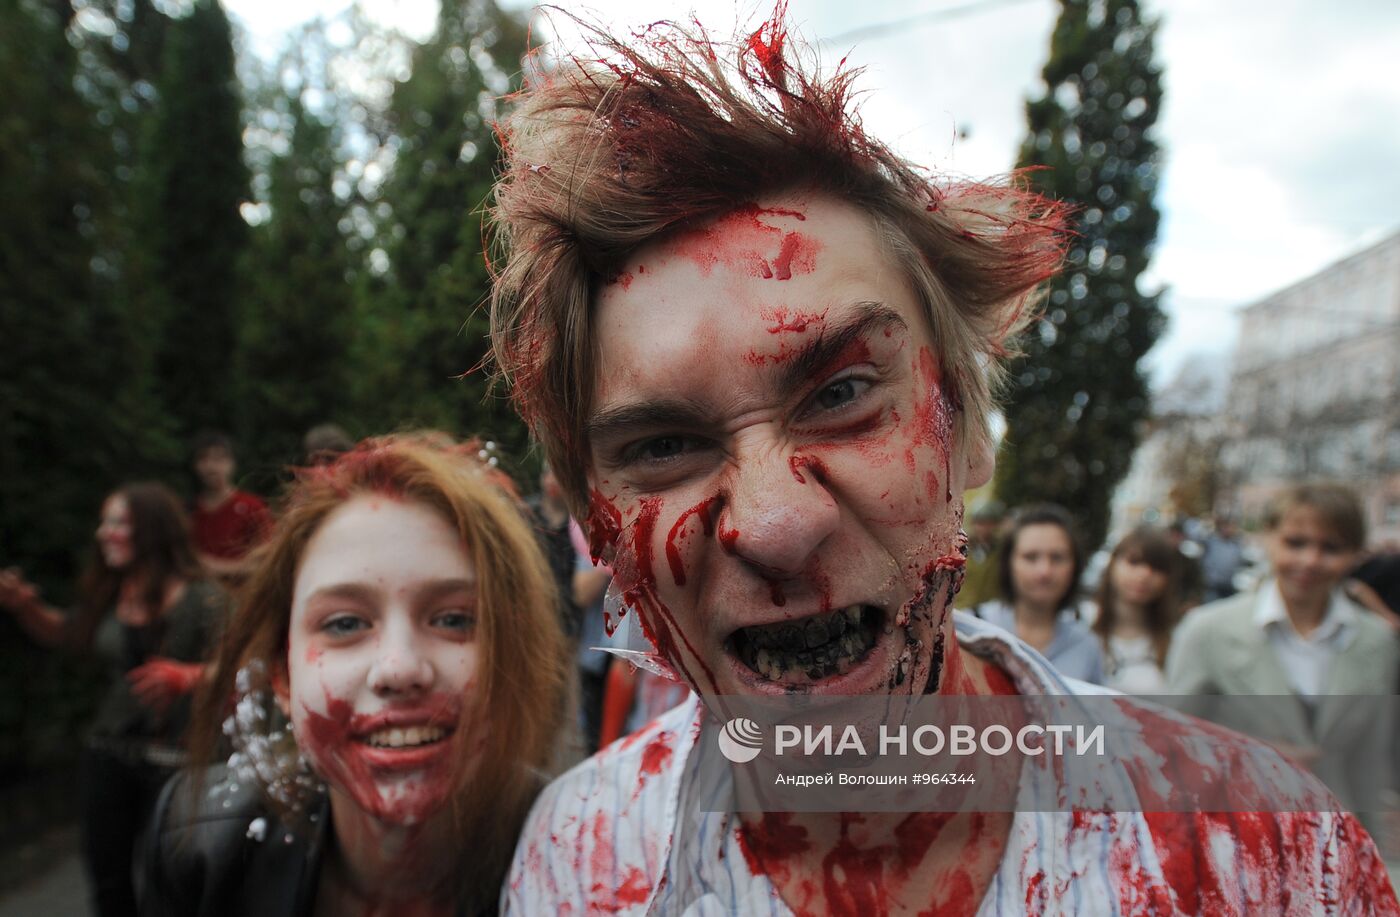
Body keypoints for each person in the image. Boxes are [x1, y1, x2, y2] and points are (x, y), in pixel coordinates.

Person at [487, 9, 1397, 913]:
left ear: (969, 429)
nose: (775, 522)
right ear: (597, 519)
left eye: (841, 395)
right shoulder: (577, 866)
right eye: (664, 446)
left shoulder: (1265, 853)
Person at [144, 434, 570, 916]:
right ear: (283, 675)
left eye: (455, 619)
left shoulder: (587, 857)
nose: (400, 668)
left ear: (514, 655)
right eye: (344, 623)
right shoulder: (198, 842)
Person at [0, 483, 227, 917]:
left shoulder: (203, 597)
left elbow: (240, 660)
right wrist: (26, 607)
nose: (105, 532)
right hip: (109, 757)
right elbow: (69, 634)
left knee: (173, 887)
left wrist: (189, 676)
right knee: (109, 884)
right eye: (105, 522)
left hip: (178, 763)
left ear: (153, 529)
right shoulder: (109, 593)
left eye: (119, 522)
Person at [1167, 483, 1399, 839]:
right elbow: (1172, 742)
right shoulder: (1209, 630)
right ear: (1268, 538)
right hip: (1234, 836)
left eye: (1330, 548)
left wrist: (1377, 856)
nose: (1310, 560)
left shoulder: (1376, 641)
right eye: (1296, 543)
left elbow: (1371, 759)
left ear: (1354, 554)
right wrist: (1247, 754)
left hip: (1336, 842)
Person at [972, 505, 1105, 684]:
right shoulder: (971, 629)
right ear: (1009, 563)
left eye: (1057, 557)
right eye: (1031, 557)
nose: (1044, 571)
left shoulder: (1087, 646)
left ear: (1075, 566)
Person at [1092, 526, 1180, 693]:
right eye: (1134, 562)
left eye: (1156, 567)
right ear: (1112, 564)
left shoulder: (1176, 642)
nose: (1144, 574)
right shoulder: (1079, 624)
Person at [188, 431, 273, 577]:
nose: (211, 466)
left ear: (232, 463)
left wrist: (217, 567)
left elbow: (267, 562)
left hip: (240, 595)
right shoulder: (186, 510)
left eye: (219, 458)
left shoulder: (252, 507)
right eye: (203, 458)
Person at [952, 501, 1003, 609]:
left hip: (989, 609)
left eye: (989, 523)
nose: (984, 528)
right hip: (963, 607)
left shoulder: (1000, 550)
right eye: (980, 523)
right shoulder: (961, 548)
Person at [1199, 514, 1247, 603]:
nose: (1230, 529)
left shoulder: (1236, 545)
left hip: (1228, 588)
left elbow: (1240, 563)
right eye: (1227, 526)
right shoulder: (1211, 541)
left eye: (1232, 527)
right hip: (1212, 587)